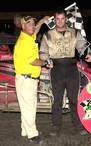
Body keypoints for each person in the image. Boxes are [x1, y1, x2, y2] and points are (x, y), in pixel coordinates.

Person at [40, 8, 91, 136]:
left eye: (62, 18)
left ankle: (78, 125)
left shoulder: (74, 32)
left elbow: (83, 45)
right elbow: (42, 52)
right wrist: (46, 60)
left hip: (71, 68)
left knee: (74, 99)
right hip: (56, 69)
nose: (60, 21)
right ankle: (56, 126)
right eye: (57, 19)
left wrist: (89, 53)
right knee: (57, 100)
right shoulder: (48, 35)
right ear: (55, 19)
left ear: (66, 19)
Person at [13, 15, 50, 145]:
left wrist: (42, 21)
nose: (32, 26)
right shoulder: (24, 42)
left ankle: (25, 130)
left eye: (33, 23)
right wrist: (46, 62)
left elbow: (35, 30)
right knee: (29, 108)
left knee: (27, 107)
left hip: (28, 80)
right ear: (23, 26)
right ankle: (33, 135)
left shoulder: (28, 37)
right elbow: (34, 61)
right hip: (26, 80)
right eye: (29, 24)